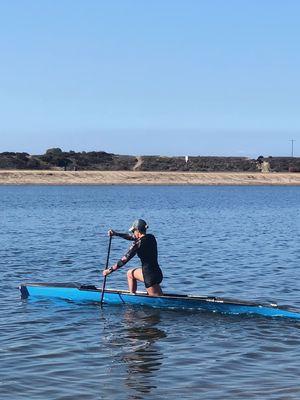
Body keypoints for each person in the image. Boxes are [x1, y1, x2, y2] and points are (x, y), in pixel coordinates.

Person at [102, 219, 163, 296]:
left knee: (160, 303)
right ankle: (132, 296)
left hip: (149, 276)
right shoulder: (151, 237)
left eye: (133, 231)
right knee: (130, 273)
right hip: (158, 273)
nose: (133, 233)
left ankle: (133, 299)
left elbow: (124, 260)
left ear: (137, 231)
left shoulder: (137, 244)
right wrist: (116, 234)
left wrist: (109, 270)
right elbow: (131, 237)